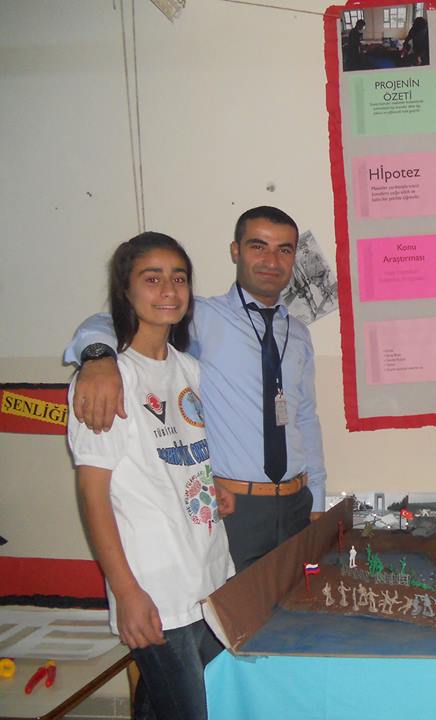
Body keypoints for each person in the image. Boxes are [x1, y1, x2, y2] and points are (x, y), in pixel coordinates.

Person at [66, 207, 327, 572]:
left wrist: (317, 500)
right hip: (235, 506)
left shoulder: (298, 334)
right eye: (258, 246)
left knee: (296, 604)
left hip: (297, 503)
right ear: (235, 250)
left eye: (284, 249)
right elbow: (110, 320)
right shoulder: (200, 316)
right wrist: (97, 357)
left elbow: (305, 418)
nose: (272, 261)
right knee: (234, 605)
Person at [67, 232, 234, 720]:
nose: (169, 290)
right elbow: (93, 496)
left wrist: (212, 486)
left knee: (170, 706)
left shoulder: (189, 370)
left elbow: (175, 459)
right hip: (156, 590)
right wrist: (126, 593)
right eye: (152, 278)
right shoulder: (106, 381)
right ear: (126, 290)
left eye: (179, 278)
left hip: (209, 577)